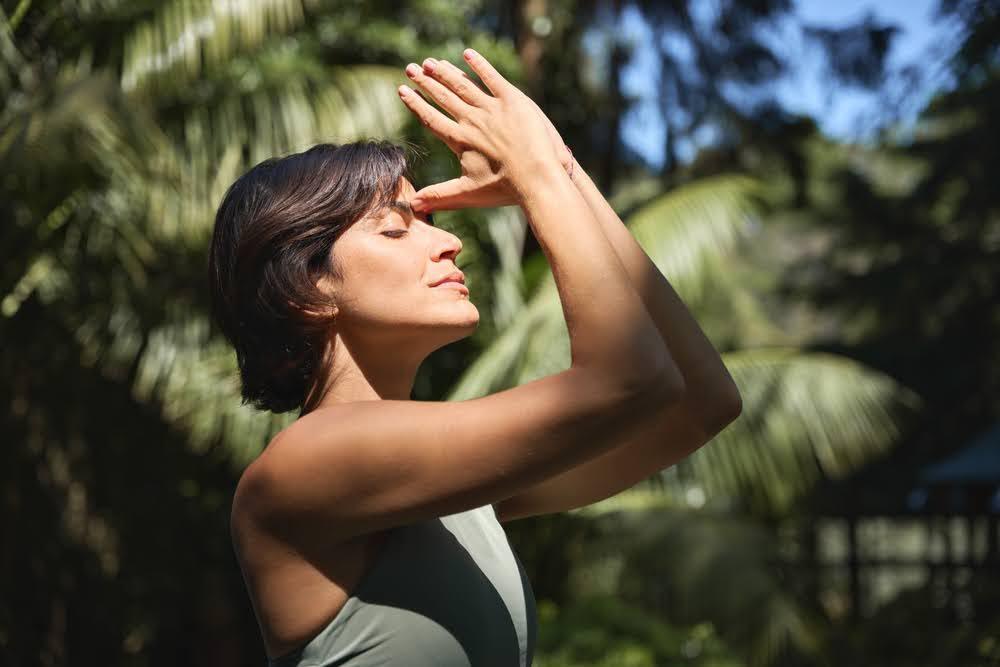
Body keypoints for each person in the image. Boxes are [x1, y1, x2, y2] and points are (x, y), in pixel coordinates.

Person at [208, 48, 741, 667]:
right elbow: (630, 381)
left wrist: (559, 167)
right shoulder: (304, 467)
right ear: (307, 285)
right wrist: (537, 174)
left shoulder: (453, 494)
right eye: (396, 228)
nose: (449, 241)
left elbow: (701, 403)